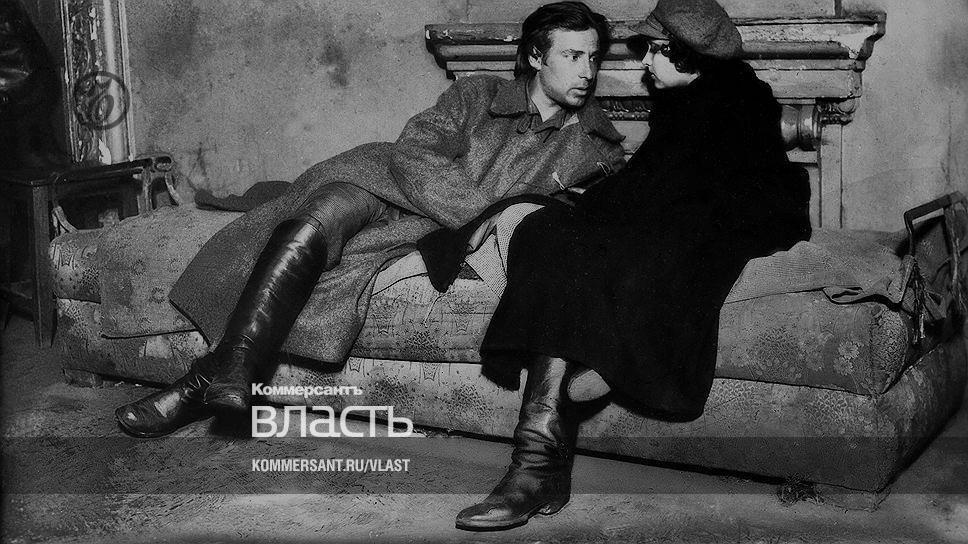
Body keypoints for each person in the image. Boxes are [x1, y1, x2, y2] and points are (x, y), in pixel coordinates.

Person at [114, 1, 626, 438]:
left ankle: (209, 379)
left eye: (593, 58)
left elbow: (561, 222)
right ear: (536, 57)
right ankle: (233, 369)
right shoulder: (480, 93)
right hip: (383, 178)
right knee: (316, 216)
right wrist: (475, 207)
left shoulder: (594, 149)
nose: (587, 71)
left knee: (328, 250)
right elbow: (416, 149)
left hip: (423, 224)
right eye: (572, 56)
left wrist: (477, 219)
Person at [451, 0, 811, 531]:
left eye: (654, 51)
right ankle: (555, 435)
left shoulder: (729, 100)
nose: (643, 62)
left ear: (685, 53)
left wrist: (587, 205)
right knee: (553, 235)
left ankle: (538, 464)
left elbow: (660, 190)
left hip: (737, 218)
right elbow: (650, 184)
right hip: (686, 211)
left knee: (607, 241)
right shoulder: (686, 98)